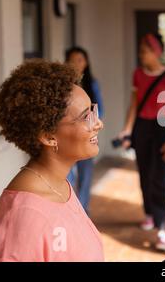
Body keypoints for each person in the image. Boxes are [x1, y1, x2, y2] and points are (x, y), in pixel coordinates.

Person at [0, 60, 105, 261]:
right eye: (86, 117)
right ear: (48, 136)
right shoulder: (22, 219)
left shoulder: (59, 186)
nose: (99, 124)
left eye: (93, 111)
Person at [118, 33, 165, 251]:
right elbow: (134, 105)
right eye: (140, 51)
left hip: (162, 129)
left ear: (156, 53)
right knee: (144, 173)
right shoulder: (137, 74)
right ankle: (149, 214)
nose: (140, 55)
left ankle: (162, 227)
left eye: (144, 51)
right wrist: (127, 130)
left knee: (161, 177)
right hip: (142, 128)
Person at [65, 46, 104, 215]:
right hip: (67, 137)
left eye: (80, 60)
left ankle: (82, 210)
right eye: (72, 60)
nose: (76, 64)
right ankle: (69, 208)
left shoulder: (91, 83)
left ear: (86, 63)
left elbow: (99, 109)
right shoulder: (63, 86)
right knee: (67, 174)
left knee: (85, 174)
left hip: (86, 135)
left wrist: (89, 126)